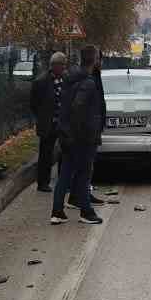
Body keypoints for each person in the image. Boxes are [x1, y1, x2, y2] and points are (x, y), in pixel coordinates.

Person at [51, 44, 104, 225]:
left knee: (65, 173)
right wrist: (88, 133)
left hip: (67, 134)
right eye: (98, 58)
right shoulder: (88, 83)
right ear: (95, 60)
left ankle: (57, 211)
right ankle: (86, 211)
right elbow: (79, 109)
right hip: (82, 138)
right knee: (83, 174)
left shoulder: (70, 77)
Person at [30, 52, 67, 192]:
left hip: (63, 122)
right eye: (62, 65)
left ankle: (63, 181)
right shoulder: (41, 81)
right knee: (46, 154)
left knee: (64, 153)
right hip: (48, 123)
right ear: (54, 65)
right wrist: (43, 117)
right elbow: (34, 104)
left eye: (64, 65)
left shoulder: (65, 79)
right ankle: (43, 182)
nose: (64, 68)